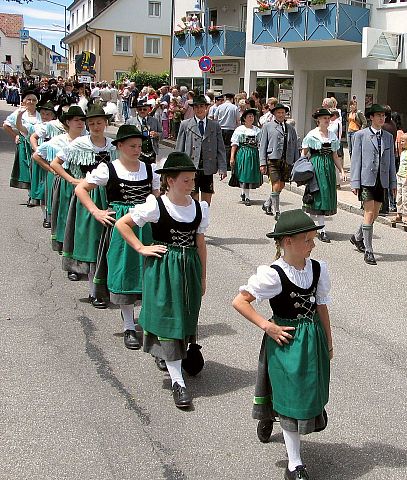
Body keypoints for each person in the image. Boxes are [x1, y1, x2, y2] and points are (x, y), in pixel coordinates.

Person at [232, 209, 333, 480]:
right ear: (287, 241)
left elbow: (321, 306)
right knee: (291, 397)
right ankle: (294, 464)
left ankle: (270, 414)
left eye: (313, 239)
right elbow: (239, 301)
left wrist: (329, 343)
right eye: (307, 240)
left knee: (306, 391)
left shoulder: (317, 268)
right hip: (286, 341)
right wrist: (268, 326)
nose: (312, 245)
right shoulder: (274, 274)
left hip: (312, 341)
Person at [116, 152, 209, 407]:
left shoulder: (199, 208)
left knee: (184, 317)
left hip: (188, 269)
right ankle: (178, 382)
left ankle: (169, 356)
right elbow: (122, 225)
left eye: (193, 180)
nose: (191, 185)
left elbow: (200, 245)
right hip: (163, 269)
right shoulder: (155, 206)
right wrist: (141, 248)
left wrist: (202, 277)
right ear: (169, 181)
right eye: (186, 181)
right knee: (167, 319)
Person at [75, 125, 160, 350]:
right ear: (119, 146)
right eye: (132, 146)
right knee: (124, 272)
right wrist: (97, 211)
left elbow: (157, 197)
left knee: (147, 271)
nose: (136, 150)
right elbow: (81, 189)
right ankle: (129, 326)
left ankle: (148, 321)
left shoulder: (150, 169)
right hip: (121, 226)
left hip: (146, 225)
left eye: (139, 146)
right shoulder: (108, 169)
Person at [53, 106, 117, 306]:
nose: (95, 126)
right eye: (91, 123)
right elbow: (56, 163)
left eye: (99, 122)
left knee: (107, 244)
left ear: (105, 123)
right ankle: (93, 291)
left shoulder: (114, 146)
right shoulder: (79, 144)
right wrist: (73, 180)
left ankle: (107, 286)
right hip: (88, 196)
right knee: (91, 243)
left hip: (109, 196)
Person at [349, 104, 397, 265]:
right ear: (371, 117)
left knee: (375, 213)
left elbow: (391, 163)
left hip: (381, 180)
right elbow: (356, 160)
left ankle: (357, 236)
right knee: (369, 213)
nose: (382, 118)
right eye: (378, 115)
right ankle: (369, 250)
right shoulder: (361, 135)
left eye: (383, 116)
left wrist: (392, 183)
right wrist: (355, 182)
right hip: (366, 179)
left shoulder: (388, 137)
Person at [43, 106, 87, 256]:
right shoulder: (58, 140)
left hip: (85, 182)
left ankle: (79, 249)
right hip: (65, 182)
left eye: (82, 120)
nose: (80, 123)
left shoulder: (87, 139)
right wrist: (59, 174)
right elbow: (37, 155)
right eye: (76, 120)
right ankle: (64, 244)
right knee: (65, 214)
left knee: (81, 218)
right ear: (68, 122)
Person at [301, 108, 346, 243]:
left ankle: (318, 228)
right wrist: (303, 170)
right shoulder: (312, 135)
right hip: (316, 166)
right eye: (324, 118)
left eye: (328, 118)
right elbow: (304, 154)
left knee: (325, 196)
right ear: (318, 120)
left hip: (328, 168)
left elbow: (335, 155)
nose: (327, 120)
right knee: (317, 195)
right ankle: (318, 229)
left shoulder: (332, 135)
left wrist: (342, 170)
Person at [176, 94, 226, 205]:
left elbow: (221, 148)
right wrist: (177, 168)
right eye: (196, 107)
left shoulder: (214, 125)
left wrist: (222, 167)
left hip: (208, 167)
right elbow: (179, 148)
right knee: (192, 201)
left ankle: (204, 221)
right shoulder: (185, 124)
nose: (199, 109)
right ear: (193, 108)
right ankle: (193, 221)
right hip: (191, 167)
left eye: (201, 106)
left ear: (206, 108)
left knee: (206, 202)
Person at [259, 103, 299, 220]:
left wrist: (296, 163)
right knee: (276, 184)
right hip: (273, 159)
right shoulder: (267, 126)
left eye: (283, 112)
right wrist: (262, 163)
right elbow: (263, 145)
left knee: (281, 185)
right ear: (274, 114)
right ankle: (277, 211)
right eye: (278, 113)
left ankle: (267, 203)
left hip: (287, 160)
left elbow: (295, 146)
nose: (281, 115)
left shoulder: (291, 128)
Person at [3, 90, 41, 195]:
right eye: (29, 99)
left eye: (34, 100)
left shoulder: (40, 114)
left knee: (37, 168)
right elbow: (6, 125)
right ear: (24, 102)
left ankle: (36, 192)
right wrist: (15, 136)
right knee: (27, 167)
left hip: (38, 143)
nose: (31, 102)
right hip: (24, 143)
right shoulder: (19, 112)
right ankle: (31, 193)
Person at [230, 108, 262, 206]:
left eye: (252, 116)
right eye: (249, 116)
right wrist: (232, 157)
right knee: (244, 174)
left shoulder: (257, 130)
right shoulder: (239, 130)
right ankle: (246, 196)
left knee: (250, 174)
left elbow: (260, 144)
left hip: (253, 154)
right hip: (243, 153)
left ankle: (244, 193)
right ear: (244, 118)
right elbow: (234, 144)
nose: (251, 118)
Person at [126, 98, 162, 165]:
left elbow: (162, 134)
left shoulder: (154, 121)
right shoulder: (130, 122)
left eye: (144, 109)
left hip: (151, 153)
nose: (142, 111)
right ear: (137, 110)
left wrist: (156, 134)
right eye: (140, 109)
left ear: (148, 110)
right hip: (136, 152)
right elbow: (125, 137)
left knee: (151, 172)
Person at [214, 92, 240, 167]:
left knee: (220, 146)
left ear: (225, 98)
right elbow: (238, 120)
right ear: (232, 99)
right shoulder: (234, 107)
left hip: (220, 128)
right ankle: (228, 163)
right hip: (230, 129)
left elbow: (215, 118)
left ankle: (220, 162)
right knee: (229, 146)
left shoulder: (220, 107)